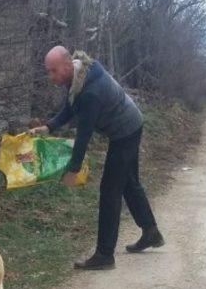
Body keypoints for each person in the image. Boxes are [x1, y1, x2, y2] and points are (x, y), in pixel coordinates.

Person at [31, 46, 164, 270]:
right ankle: (150, 232)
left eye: (53, 71)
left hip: (126, 131)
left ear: (66, 65)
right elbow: (71, 107)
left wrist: (73, 170)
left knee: (110, 191)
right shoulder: (78, 76)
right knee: (129, 184)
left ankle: (104, 255)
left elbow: (84, 135)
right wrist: (49, 127)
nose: (50, 76)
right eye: (48, 71)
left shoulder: (90, 92)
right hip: (130, 124)